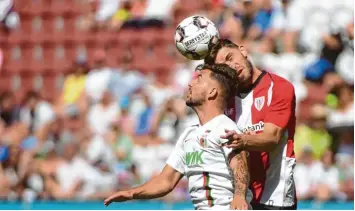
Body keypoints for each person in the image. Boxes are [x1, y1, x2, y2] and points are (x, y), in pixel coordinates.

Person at [104, 63, 253, 210]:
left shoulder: (225, 127)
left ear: (212, 92)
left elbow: (240, 165)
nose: (190, 84)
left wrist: (239, 197)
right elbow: (165, 181)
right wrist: (131, 193)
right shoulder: (188, 135)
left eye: (199, 79)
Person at [204, 39, 297, 210]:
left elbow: (272, 138)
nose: (231, 66)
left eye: (230, 57)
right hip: (240, 196)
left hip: (275, 195)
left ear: (243, 50)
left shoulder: (279, 87)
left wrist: (240, 140)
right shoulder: (225, 101)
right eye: (224, 66)